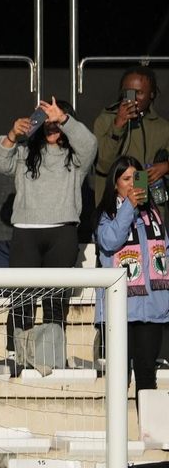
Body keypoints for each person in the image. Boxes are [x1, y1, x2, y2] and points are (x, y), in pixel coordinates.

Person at [0, 98, 98, 371]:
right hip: (26, 232)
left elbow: (90, 144)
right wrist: (13, 135)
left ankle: (52, 359)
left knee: (55, 300)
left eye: (56, 120)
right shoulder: (26, 152)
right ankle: (19, 358)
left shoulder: (76, 157)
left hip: (62, 233)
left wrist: (63, 118)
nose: (51, 125)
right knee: (21, 298)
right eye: (46, 120)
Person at [96, 156, 169, 410]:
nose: (131, 184)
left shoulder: (154, 215)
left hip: (152, 310)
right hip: (120, 310)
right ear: (115, 184)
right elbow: (110, 241)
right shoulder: (107, 215)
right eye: (125, 179)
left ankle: (145, 436)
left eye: (135, 178)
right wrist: (128, 207)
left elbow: (165, 253)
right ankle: (116, 442)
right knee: (119, 377)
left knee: (147, 375)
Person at [91, 68, 169, 209]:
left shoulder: (163, 127)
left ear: (151, 94)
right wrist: (118, 124)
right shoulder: (105, 121)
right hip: (114, 209)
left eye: (139, 93)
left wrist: (165, 167)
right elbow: (103, 164)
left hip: (150, 210)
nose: (133, 98)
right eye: (128, 92)